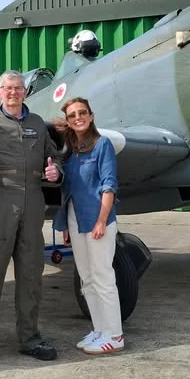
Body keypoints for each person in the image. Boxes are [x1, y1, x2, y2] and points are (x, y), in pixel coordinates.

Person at [0, 70, 63, 370]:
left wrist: (56, 173)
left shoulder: (37, 125)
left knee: (31, 275)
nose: (13, 93)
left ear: (25, 92)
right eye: (7, 88)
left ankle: (30, 337)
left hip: (33, 205)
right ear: (0, 91)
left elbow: (55, 159)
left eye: (18, 88)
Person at [52, 96, 125, 355]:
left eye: (82, 113)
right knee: (87, 279)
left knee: (103, 277)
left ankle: (114, 335)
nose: (78, 117)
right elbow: (68, 191)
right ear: (69, 122)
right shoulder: (73, 152)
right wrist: (65, 226)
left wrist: (102, 221)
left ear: (91, 116)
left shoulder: (102, 144)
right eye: (72, 115)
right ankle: (100, 329)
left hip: (97, 221)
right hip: (75, 220)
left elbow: (109, 185)